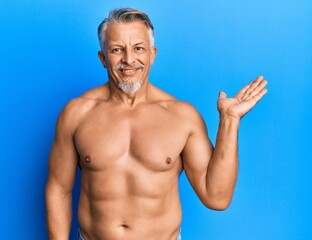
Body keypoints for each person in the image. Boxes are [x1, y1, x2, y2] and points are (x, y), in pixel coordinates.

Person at [45, 7, 268, 240]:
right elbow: (58, 190)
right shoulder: (77, 113)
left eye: (138, 48)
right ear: (103, 58)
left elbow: (217, 198)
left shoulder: (182, 117)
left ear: (152, 54)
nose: (129, 60)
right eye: (117, 50)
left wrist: (229, 121)